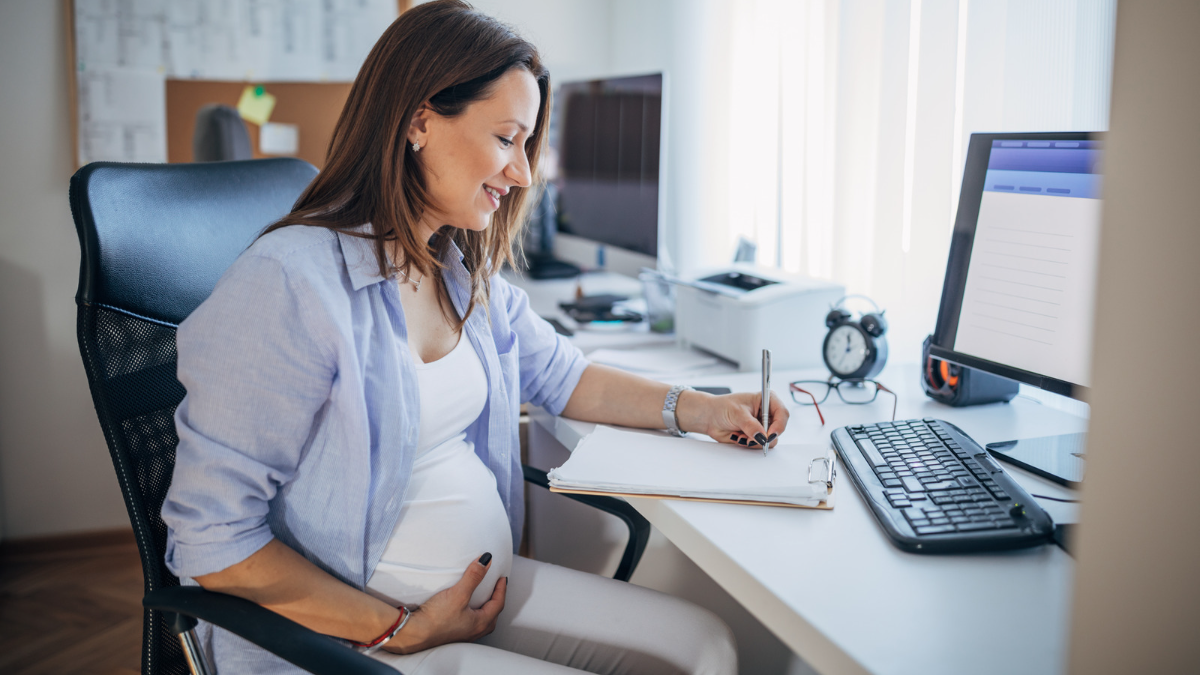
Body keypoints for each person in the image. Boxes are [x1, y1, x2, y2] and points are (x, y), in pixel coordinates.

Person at [161, 2, 790, 673]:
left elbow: (564, 376)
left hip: (469, 599)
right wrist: (397, 626)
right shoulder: (288, 283)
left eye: (527, 146)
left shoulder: (455, 270)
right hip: (351, 639)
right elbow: (211, 539)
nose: (522, 173)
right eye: (506, 138)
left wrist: (702, 407)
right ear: (419, 120)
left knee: (706, 648)